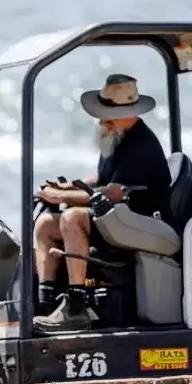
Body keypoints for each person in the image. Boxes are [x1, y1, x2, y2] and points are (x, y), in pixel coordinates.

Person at [31, 73, 172, 333]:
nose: (101, 118)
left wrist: (62, 198)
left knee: (73, 218)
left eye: (106, 112)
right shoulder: (116, 134)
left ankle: (76, 307)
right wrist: (67, 187)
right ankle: (45, 303)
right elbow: (102, 179)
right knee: (45, 225)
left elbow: (112, 193)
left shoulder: (141, 145)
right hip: (119, 217)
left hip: (142, 221)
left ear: (127, 112)